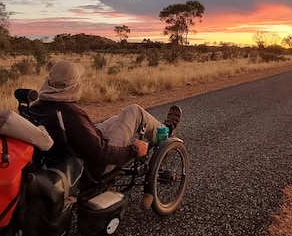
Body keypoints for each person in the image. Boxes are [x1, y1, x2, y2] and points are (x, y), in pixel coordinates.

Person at [29, 60, 182, 182]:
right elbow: (99, 152)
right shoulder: (70, 114)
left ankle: (161, 132)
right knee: (134, 111)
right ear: (75, 86)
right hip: (93, 167)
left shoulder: (37, 108)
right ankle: (165, 132)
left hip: (67, 157)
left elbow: (82, 137)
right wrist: (134, 150)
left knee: (116, 119)